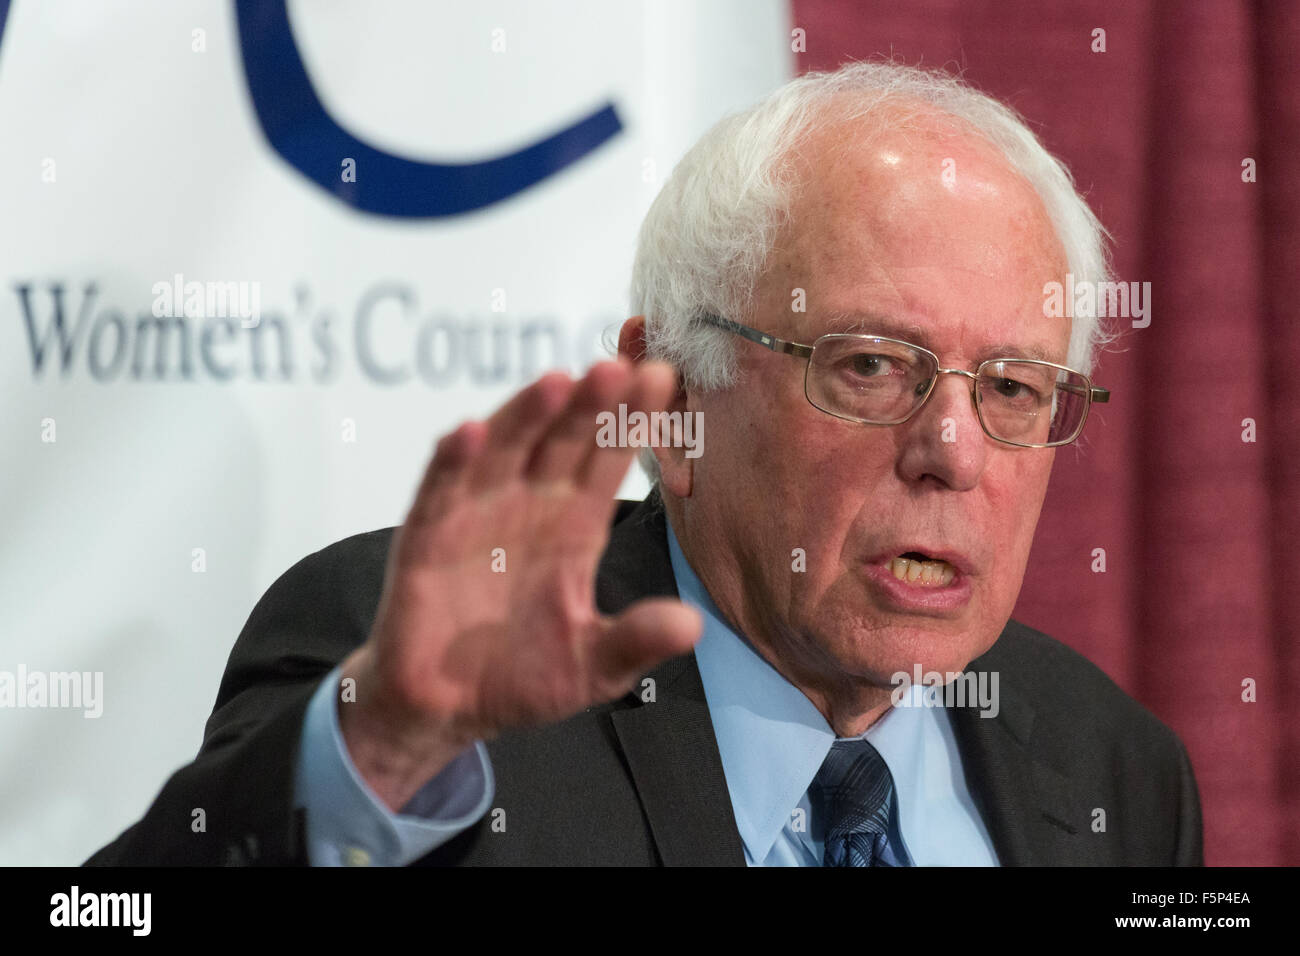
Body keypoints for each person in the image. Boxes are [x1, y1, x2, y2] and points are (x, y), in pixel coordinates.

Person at [86, 61, 1202, 867]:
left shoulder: (1113, 770)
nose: (953, 451)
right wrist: (373, 750)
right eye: (869, 365)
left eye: (1011, 386)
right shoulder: (414, 676)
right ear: (668, 404)